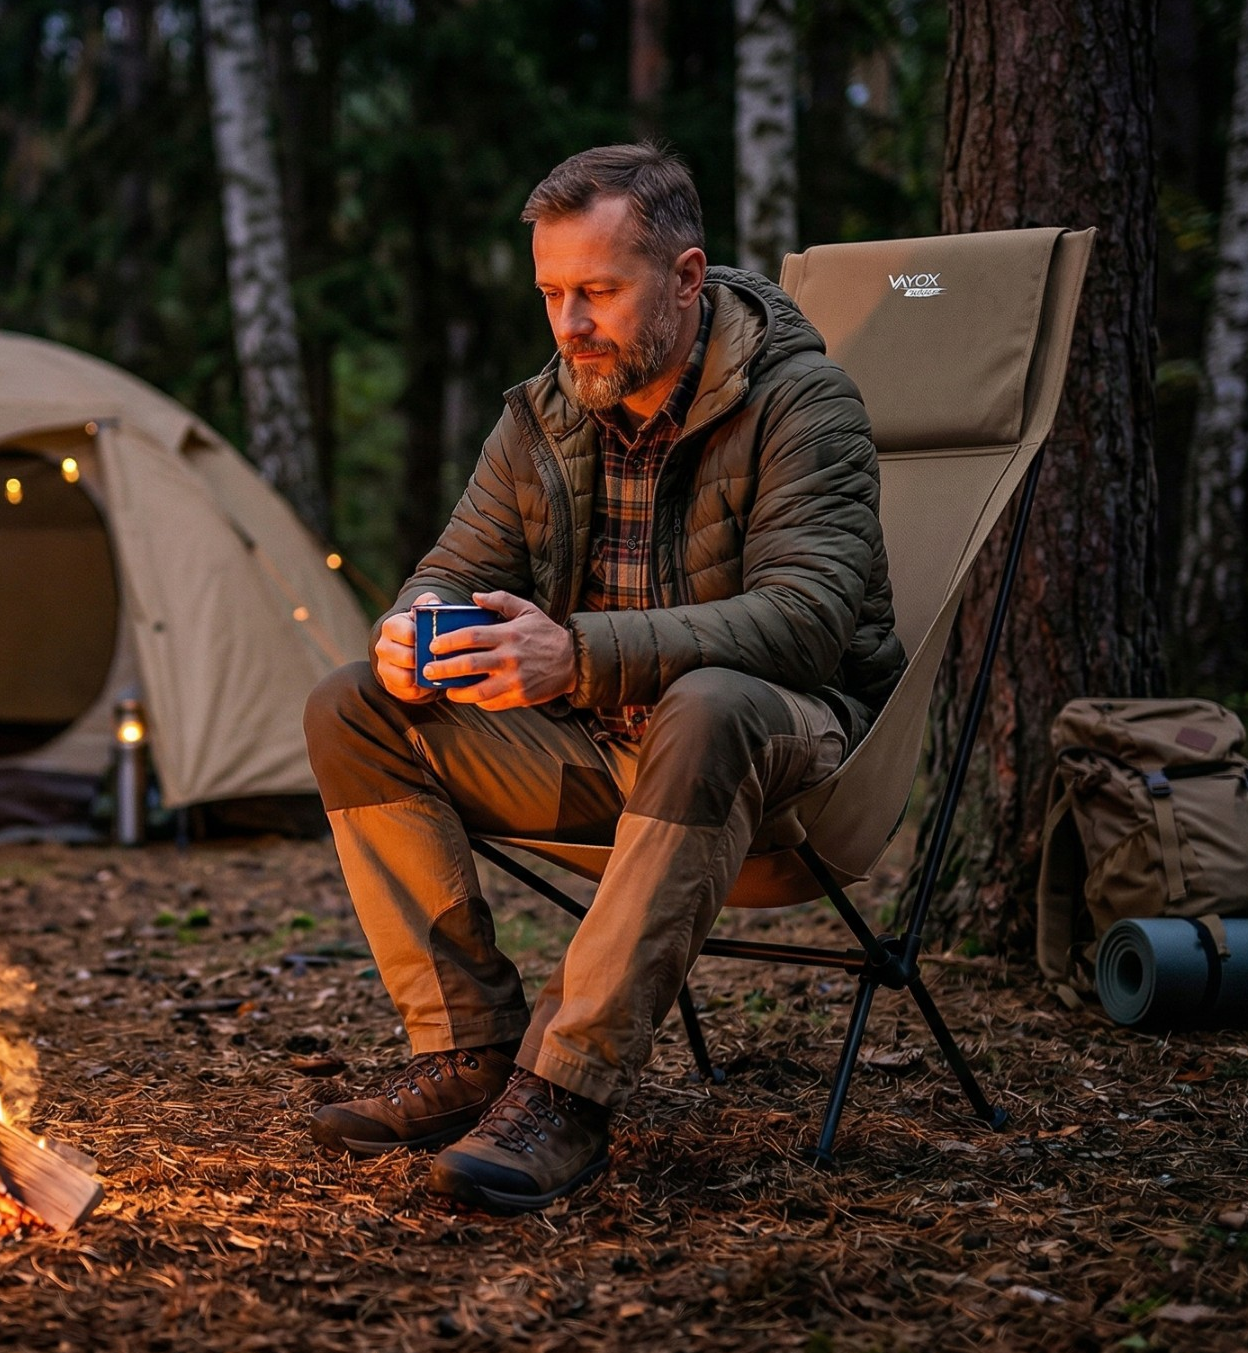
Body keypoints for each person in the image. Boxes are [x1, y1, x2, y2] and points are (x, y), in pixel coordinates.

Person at [303, 142, 903, 1213]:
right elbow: (453, 565)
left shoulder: (803, 402)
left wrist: (576, 653)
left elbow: (807, 621)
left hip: (783, 756)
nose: (569, 323)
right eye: (550, 293)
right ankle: (466, 1052)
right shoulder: (545, 414)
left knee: (706, 703)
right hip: (603, 753)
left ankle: (562, 1094)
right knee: (353, 702)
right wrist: (413, 624)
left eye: (598, 291)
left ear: (685, 277)